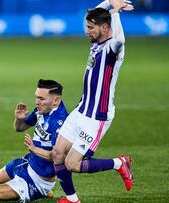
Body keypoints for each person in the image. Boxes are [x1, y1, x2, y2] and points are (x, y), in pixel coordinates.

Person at [50, 1, 134, 203]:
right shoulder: (97, 42)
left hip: (97, 116)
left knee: (72, 163)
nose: (86, 31)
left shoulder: (113, 48)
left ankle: (119, 163)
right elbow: (94, 11)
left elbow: (120, 38)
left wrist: (115, 12)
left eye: (90, 27)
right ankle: (73, 200)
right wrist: (110, 1)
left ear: (104, 28)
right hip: (82, 109)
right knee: (57, 153)